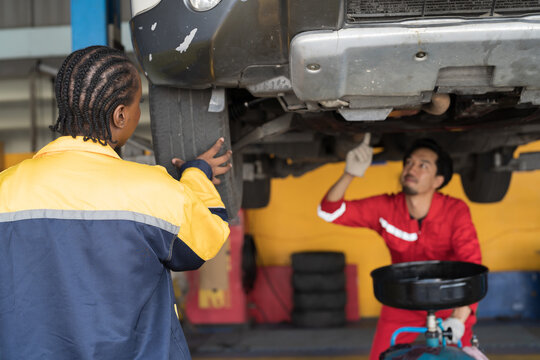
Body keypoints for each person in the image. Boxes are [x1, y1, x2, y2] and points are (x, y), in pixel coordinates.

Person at [0, 46, 231, 359]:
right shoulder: (153, 190)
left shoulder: (5, 188)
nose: (138, 112)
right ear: (120, 115)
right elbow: (206, 238)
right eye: (139, 104)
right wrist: (197, 174)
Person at [318, 134, 487, 360]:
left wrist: (458, 320)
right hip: (402, 303)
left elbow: (472, 266)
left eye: (422, 165)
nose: (411, 169)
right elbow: (329, 211)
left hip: (450, 303)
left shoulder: (455, 211)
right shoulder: (387, 207)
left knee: (460, 357)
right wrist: (350, 173)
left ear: (438, 180)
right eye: (408, 163)